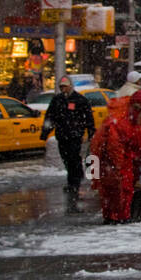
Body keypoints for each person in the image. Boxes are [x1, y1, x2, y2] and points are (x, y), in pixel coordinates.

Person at [89, 90, 141, 225]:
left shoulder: (132, 118)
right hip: (115, 162)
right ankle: (118, 217)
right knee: (118, 190)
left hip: (120, 161)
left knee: (118, 190)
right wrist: (118, 166)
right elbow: (115, 146)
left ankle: (115, 216)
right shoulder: (120, 122)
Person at [41, 75, 96, 213]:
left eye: (65, 86)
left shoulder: (80, 100)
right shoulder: (57, 100)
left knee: (73, 158)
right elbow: (50, 116)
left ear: (70, 86)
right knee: (66, 158)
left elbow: (88, 116)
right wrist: (45, 132)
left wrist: (90, 131)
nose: (63, 89)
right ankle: (73, 178)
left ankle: (74, 182)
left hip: (75, 136)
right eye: (61, 87)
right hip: (62, 135)